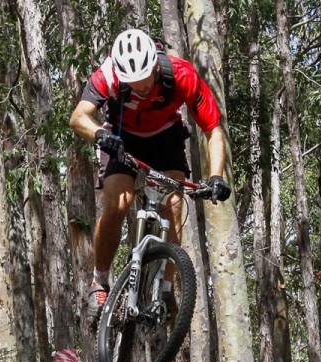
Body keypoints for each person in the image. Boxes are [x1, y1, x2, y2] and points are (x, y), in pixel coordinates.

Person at [69, 28, 232, 323]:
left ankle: (165, 288)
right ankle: (100, 281)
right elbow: (78, 116)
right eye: (131, 82)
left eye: (143, 80)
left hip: (165, 137)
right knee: (119, 203)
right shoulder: (108, 74)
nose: (140, 88)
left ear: (156, 65)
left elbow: (213, 130)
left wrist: (217, 176)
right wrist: (98, 136)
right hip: (121, 138)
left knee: (173, 205)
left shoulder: (182, 75)